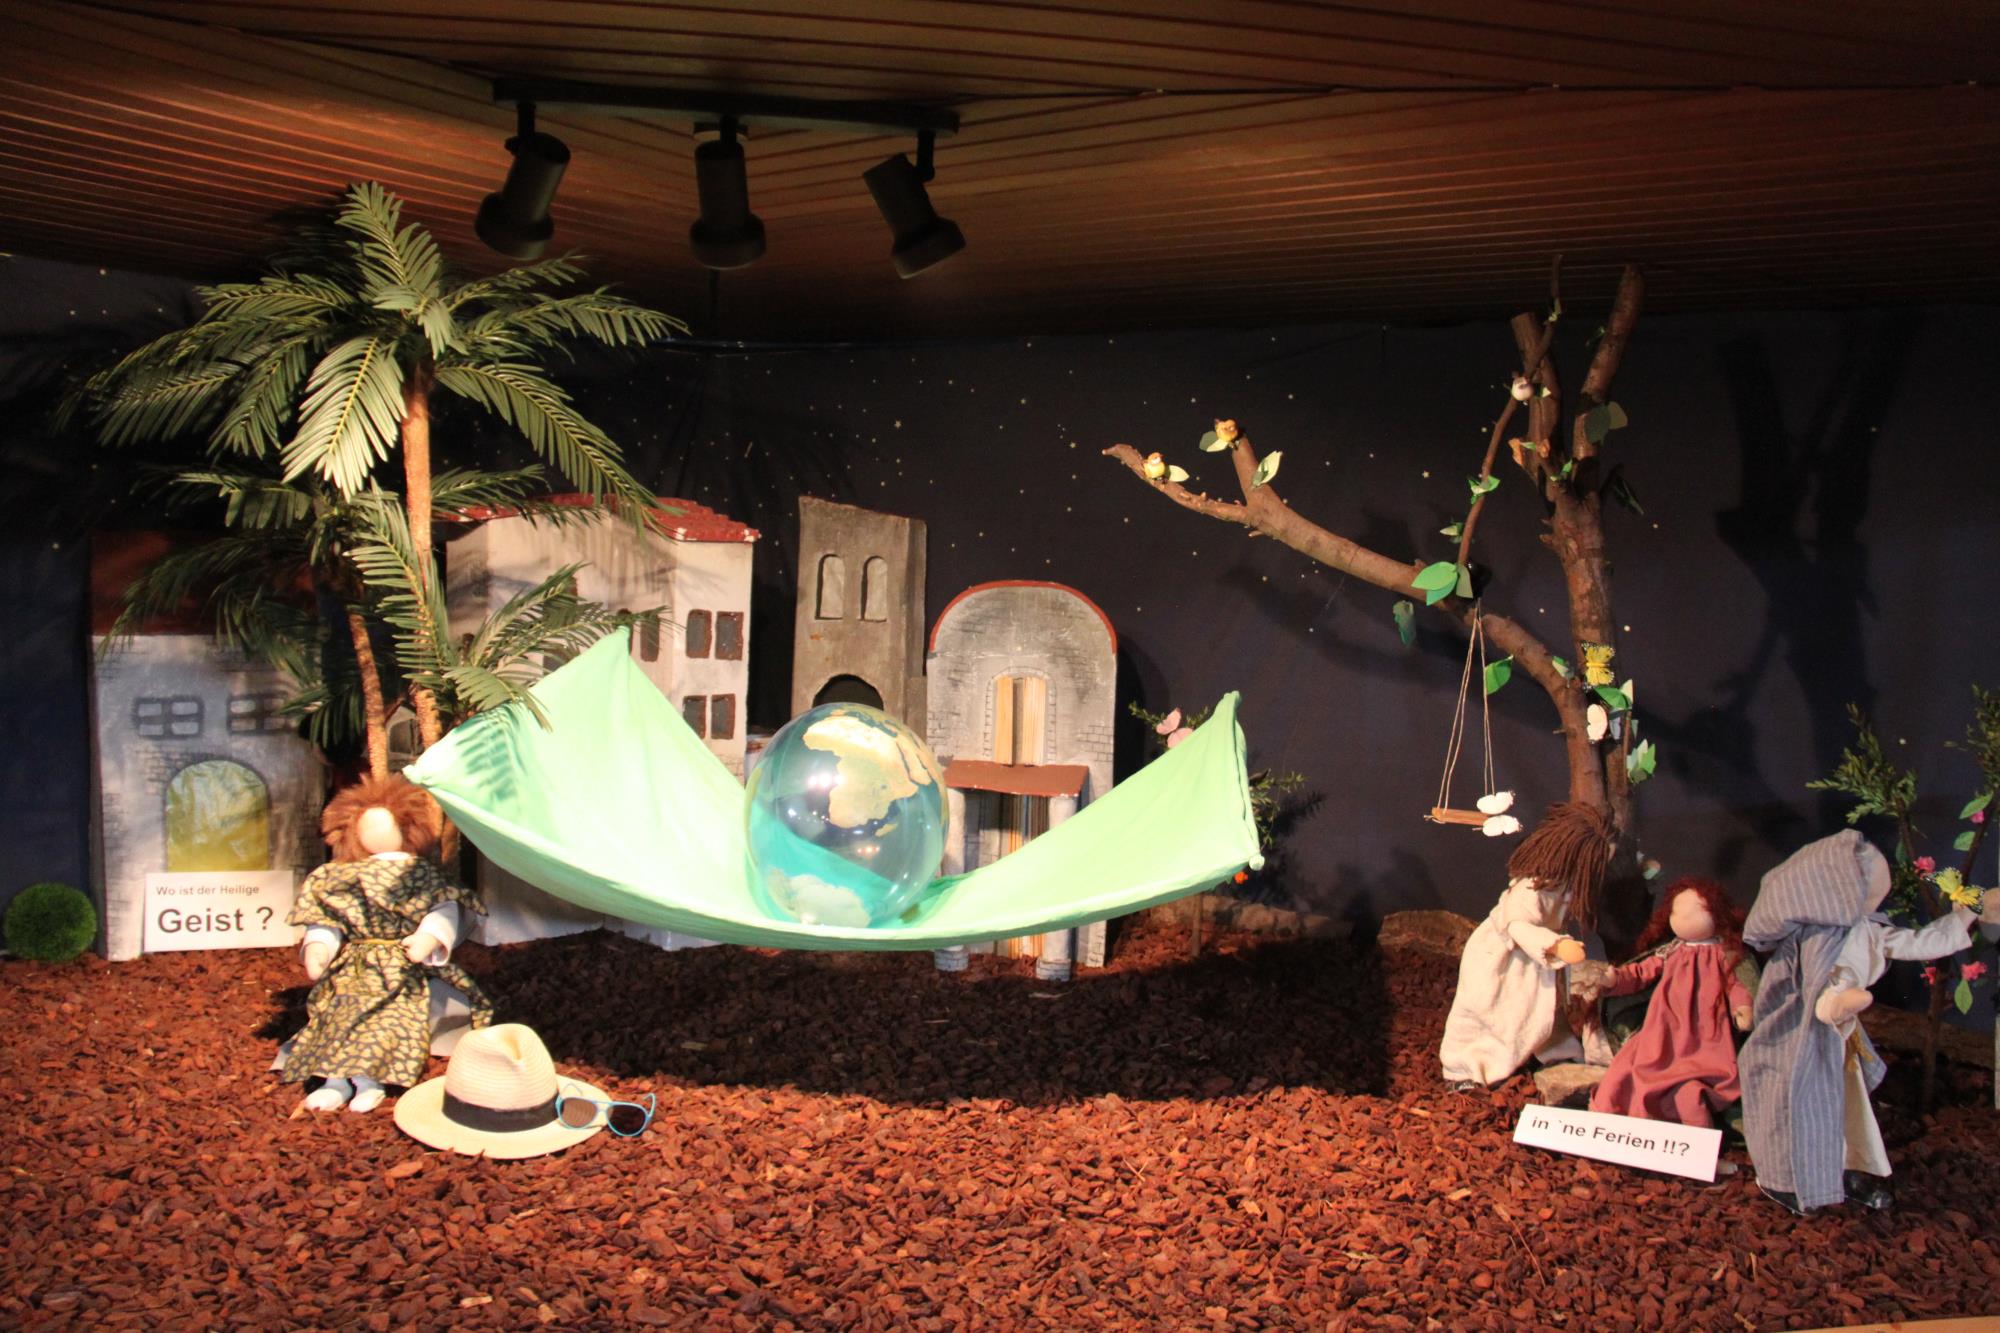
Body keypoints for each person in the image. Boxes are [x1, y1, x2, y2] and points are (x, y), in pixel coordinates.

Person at [1440, 802, 1617, 1087]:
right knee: (1491, 1015)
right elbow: (1516, 925)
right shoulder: (1532, 887)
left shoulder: (1566, 884)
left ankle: (1557, 1053)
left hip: (1537, 965)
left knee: (1546, 1012)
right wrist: (1556, 945)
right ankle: (1464, 1070)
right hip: (1505, 959)